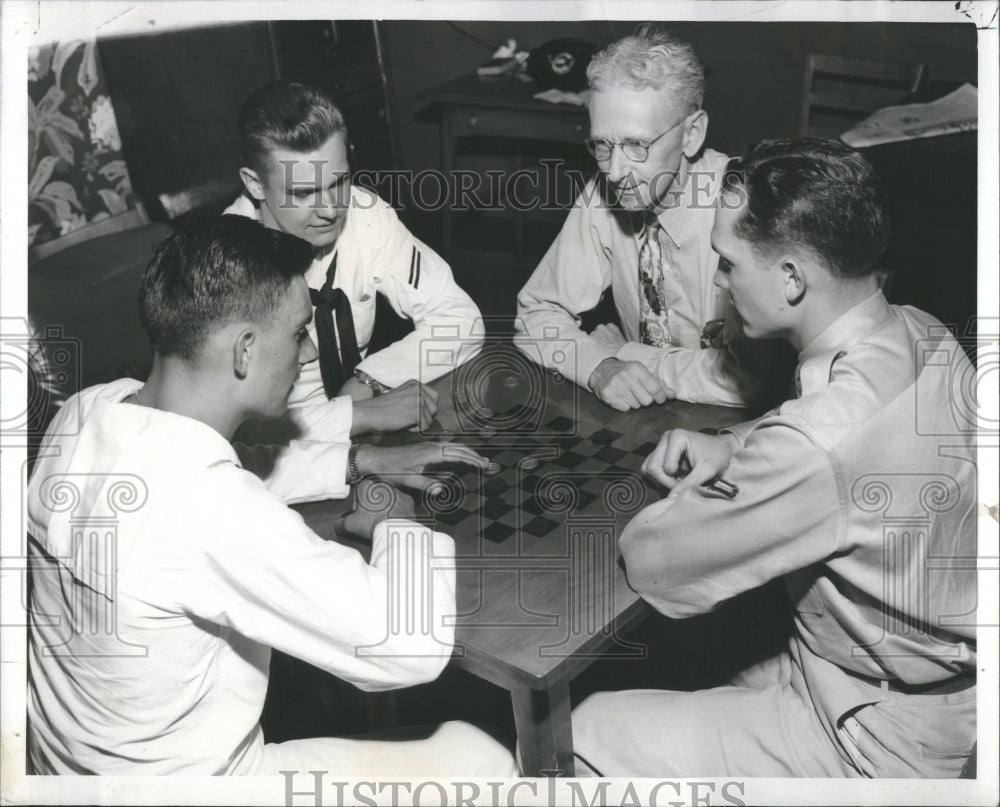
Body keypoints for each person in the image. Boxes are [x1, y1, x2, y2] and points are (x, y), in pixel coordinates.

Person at [26, 216, 518, 777]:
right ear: (244, 351)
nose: (308, 354)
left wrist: (357, 461)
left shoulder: (86, 412)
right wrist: (392, 519)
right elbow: (408, 643)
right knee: (485, 757)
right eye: (298, 333)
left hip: (62, 773)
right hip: (195, 790)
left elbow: (202, 472)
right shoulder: (209, 508)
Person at [571, 138, 977, 778]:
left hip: (876, 735)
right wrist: (736, 442)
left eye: (728, 264)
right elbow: (838, 431)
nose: (722, 284)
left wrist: (743, 480)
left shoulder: (815, 446)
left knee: (584, 726)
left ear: (791, 278)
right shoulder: (920, 330)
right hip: (915, 677)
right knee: (695, 657)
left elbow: (656, 566)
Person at [515, 25, 792, 411]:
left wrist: (629, 353)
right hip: (644, 419)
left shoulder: (746, 206)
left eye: (636, 145)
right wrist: (599, 367)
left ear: (692, 134)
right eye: (601, 145)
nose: (614, 170)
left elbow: (752, 381)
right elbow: (536, 316)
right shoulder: (605, 192)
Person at [226, 81, 483, 442]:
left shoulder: (365, 216)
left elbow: (461, 320)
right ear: (255, 185)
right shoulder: (225, 268)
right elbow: (243, 434)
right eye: (303, 193)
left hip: (358, 431)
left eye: (340, 181)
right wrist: (359, 415)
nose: (331, 209)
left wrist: (367, 382)